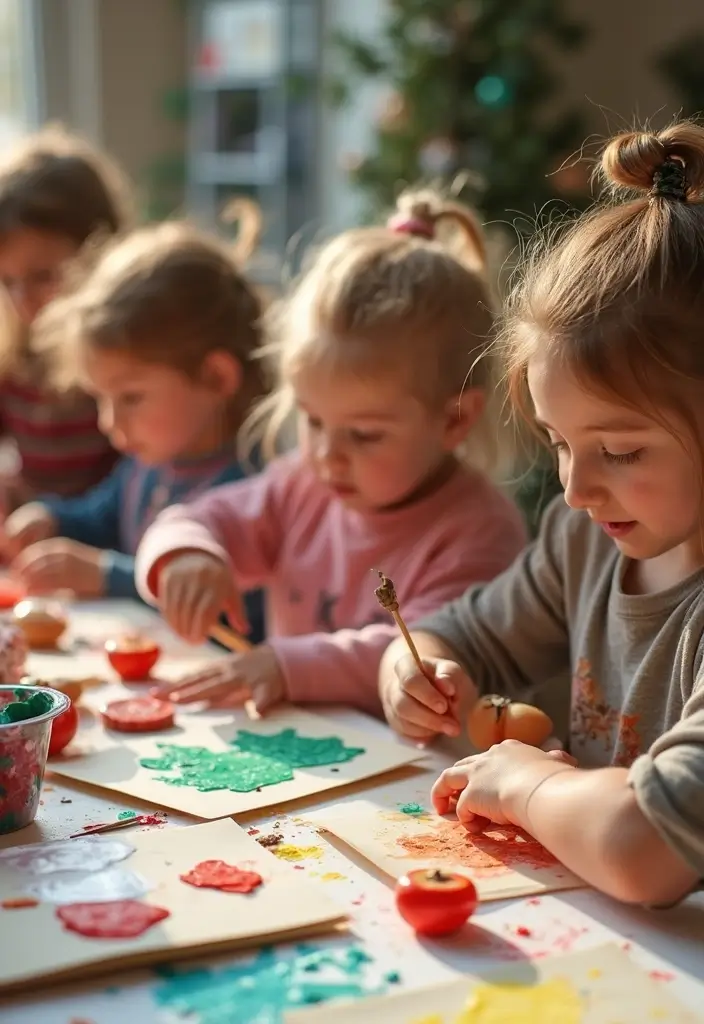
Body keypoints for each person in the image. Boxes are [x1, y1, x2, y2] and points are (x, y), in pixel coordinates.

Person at [379, 123, 704, 907]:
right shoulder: (582, 544)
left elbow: (647, 847)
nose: (576, 489)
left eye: (620, 451)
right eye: (559, 442)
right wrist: (414, 673)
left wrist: (526, 785)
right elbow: (458, 637)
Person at [133, 189, 527, 717]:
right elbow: (195, 518)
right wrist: (188, 554)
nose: (327, 455)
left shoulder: (482, 534)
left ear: (455, 419)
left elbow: (425, 654)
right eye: (313, 421)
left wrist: (285, 666)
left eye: (364, 435)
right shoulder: (301, 485)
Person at [2, 211, 267, 643]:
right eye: (101, 399)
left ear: (216, 377)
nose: (108, 422)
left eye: (130, 398)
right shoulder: (149, 464)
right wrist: (50, 518)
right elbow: (99, 517)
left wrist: (106, 575)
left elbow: (228, 603)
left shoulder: (255, 487)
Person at [0, 126, 134, 508]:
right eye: (7, 281)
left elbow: (138, 483)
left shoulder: (127, 361)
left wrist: (58, 516)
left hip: (107, 533)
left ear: (102, 255)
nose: (23, 300)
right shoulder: (14, 357)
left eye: (43, 276)